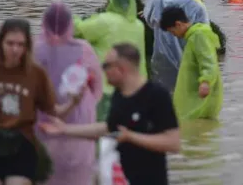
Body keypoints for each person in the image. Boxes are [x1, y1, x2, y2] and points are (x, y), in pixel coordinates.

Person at [39, 43, 181, 185]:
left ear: (121, 68)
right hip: (122, 178)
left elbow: (173, 143)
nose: (102, 70)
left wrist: (132, 137)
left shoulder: (157, 95)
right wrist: (64, 129)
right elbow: (109, 128)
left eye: (106, 66)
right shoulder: (119, 94)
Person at [0, 19, 84, 185]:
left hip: (22, 145)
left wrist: (73, 102)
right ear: (0, 42)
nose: (15, 50)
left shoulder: (36, 74)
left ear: (27, 46)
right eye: (10, 43)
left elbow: (55, 112)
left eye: (21, 45)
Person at [34, 2, 104, 185]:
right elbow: (98, 89)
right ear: (70, 25)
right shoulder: (84, 49)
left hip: (42, 126)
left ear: (43, 24)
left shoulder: (32, 48)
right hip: (78, 129)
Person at [74, 0, 147, 120]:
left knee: (103, 127)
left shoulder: (105, 21)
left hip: (107, 86)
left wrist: (76, 19)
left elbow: (78, 30)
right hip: (136, 87)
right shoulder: (139, 25)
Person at [145, 0, 209, 92]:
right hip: (185, 64)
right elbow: (205, 37)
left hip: (160, 61)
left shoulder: (159, 0)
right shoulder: (197, 7)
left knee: (161, 103)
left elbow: (149, 21)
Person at [159, 7, 222, 120]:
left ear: (178, 24)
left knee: (196, 131)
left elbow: (208, 61)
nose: (174, 35)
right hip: (195, 96)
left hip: (199, 98)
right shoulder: (193, 36)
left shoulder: (198, 36)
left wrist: (205, 81)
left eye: (172, 31)